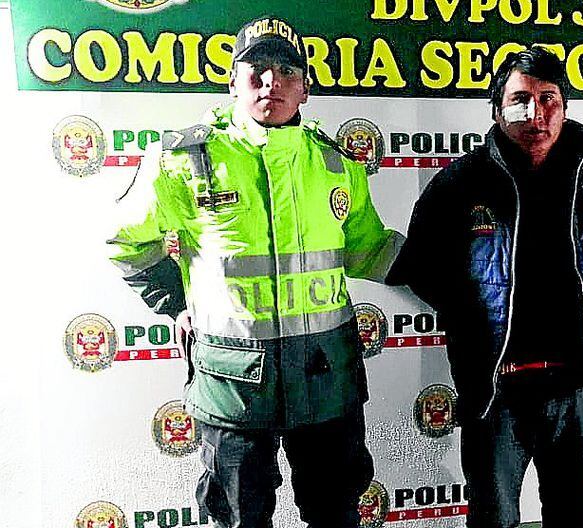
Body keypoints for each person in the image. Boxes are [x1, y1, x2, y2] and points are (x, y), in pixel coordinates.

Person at [108, 16, 402, 528]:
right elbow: (127, 243)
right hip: (233, 386)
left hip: (325, 380)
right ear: (233, 83)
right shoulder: (182, 158)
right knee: (242, 519)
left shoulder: (335, 164)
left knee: (336, 515)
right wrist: (174, 304)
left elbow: (369, 250)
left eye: (287, 71)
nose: (272, 83)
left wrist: (456, 269)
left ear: (305, 88)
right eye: (257, 69)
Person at [387, 47, 583, 528]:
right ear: (497, 109)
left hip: (580, 386)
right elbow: (420, 265)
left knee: (573, 518)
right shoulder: (460, 182)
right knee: (493, 518)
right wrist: (469, 311)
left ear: (564, 107)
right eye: (520, 100)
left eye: (548, 99)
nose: (536, 113)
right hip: (496, 390)